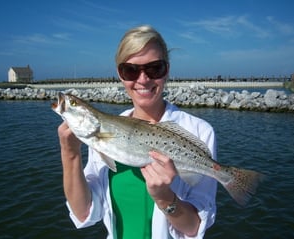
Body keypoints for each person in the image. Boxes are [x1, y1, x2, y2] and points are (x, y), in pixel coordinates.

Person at [57, 25, 217, 239]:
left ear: (167, 70)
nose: (143, 79)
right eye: (131, 70)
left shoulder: (199, 131)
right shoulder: (102, 137)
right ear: (120, 74)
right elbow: (84, 213)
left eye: (154, 68)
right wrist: (70, 154)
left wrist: (165, 198)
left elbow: (194, 229)